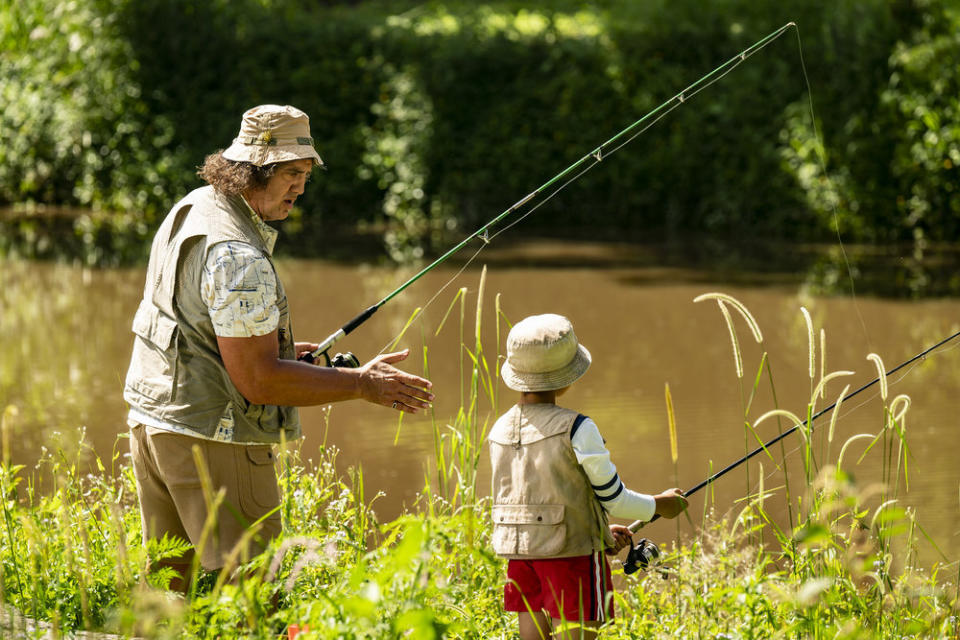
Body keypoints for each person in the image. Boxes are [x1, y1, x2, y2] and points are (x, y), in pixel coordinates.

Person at [123, 104, 434, 590]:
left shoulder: (195, 205)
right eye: (290, 173)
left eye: (306, 174)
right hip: (213, 438)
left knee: (166, 592)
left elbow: (201, 328)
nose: (301, 187)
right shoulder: (237, 256)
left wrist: (278, 349)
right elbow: (259, 380)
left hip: (155, 424)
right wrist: (362, 384)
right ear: (252, 169)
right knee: (250, 595)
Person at [488, 313, 687, 640]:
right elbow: (615, 497)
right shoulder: (577, 427)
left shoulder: (499, 430)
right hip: (573, 561)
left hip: (521, 558)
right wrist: (659, 505)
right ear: (567, 378)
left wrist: (597, 531)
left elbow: (537, 504)